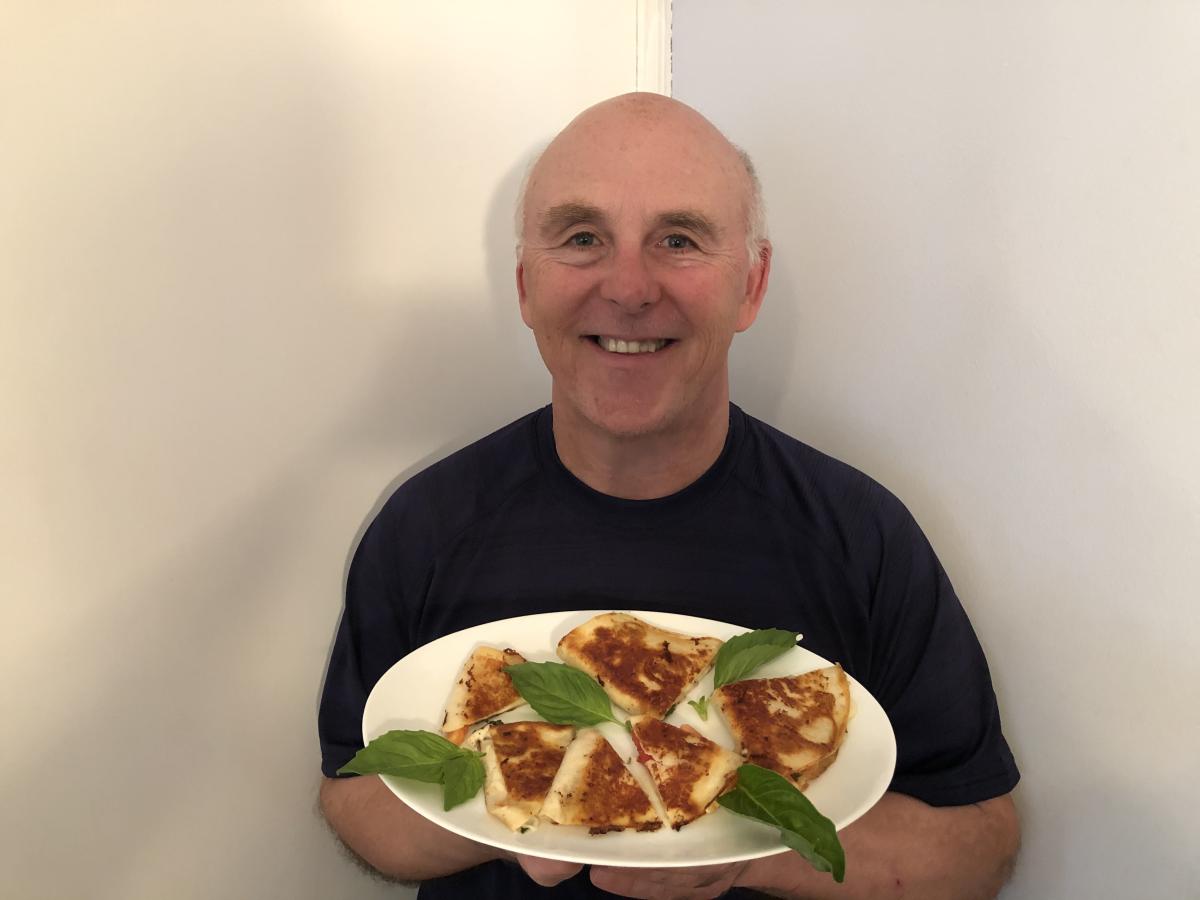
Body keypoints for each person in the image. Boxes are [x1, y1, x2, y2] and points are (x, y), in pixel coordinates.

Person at [317, 92, 1021, 899]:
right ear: (525, 285)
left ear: (750, 285)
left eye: (678, 240)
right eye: (582, 238)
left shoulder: (863, 536)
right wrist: (520, 806)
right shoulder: (424, 525)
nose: (628, 286)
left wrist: (733, 837)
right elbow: (355, 792)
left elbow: (979, 846)